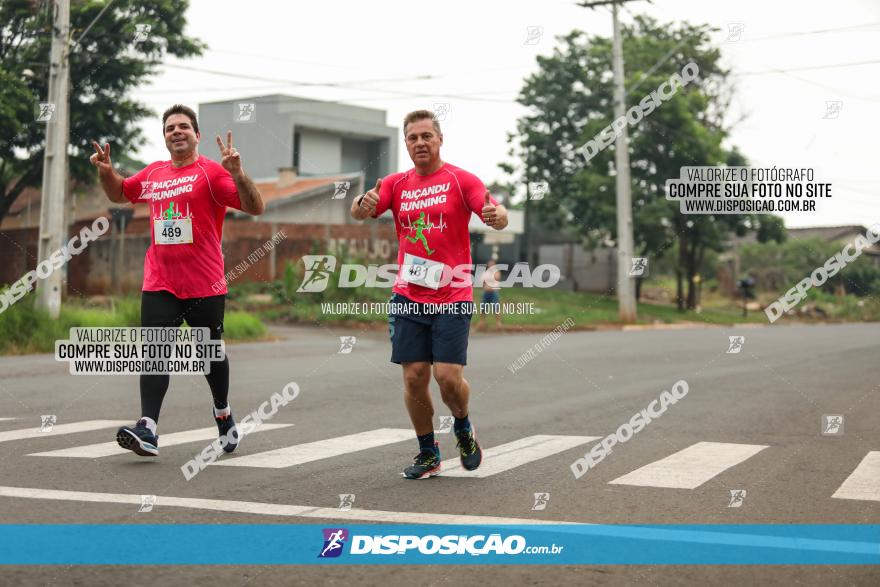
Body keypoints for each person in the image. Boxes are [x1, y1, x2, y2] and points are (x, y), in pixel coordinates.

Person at [89, 104, 265, 457]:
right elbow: (119, 193)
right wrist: (107, 172)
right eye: (170, 128)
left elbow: (255, 207)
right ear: (165, 137)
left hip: (205, 283)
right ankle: (148, 428)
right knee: (154, 353)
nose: (177, 131)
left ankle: (223, 413)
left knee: (209, 354)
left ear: (197, 135)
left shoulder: (212, 173)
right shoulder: (154, 174)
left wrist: (239, 173)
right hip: (160, 282)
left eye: (184, 126)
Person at [350, 109, 508, 479]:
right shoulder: (395, 183)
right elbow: (359, 211)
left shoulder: (459, 179)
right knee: (414, 376)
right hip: (408, 294)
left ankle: (463, 426)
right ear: (405, 144)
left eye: (426, 136)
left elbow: (493, 209)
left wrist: (498, 215)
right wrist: (362, 205)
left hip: (452, 295)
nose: (420, 143)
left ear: (439, 140)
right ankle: (427, 452)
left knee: (448, 379)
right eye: (412, 138)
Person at [475, 259, 502, 329]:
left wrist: (488, 281)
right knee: (483, 307)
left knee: (496, 307)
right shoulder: (485, 273)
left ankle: (498, 322)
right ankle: (482, 322)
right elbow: (482, 282)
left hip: (494, 292)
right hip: (486, 292)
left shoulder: (496, 272)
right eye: (490, 264)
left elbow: (496, 277)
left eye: (492, 264)